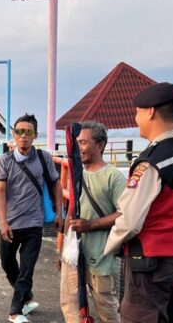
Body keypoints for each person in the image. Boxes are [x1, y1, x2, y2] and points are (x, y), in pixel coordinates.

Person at [104, 82, 173, 323]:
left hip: (150, 263)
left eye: (137, 112)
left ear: (150, 112)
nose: (136, 118)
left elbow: (129, 221)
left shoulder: (151, 163)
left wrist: (107, 248)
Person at [0, 113, 63, 323]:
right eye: (19, 132)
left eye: (28, 132)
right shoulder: (4, 160)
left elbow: (56, 184)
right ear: (14, 135)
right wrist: (3, 222)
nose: (23, 136)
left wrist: (59, 213)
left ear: (34, 135)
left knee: (26, 268)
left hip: (34, 223)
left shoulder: (44, 158)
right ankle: (27, 296)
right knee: (7, 264)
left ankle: (15, 312)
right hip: (11, 223)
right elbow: (0, 191)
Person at [58, 121, 125, 323]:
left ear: (101, 145)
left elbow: (126, 214)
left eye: (84, 142)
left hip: (102, 258)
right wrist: (61, 250)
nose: (79, 147)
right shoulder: (76, 174)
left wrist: (91, 225)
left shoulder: (113, 176)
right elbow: (71, 212)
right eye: (77, 143)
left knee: (108, 312)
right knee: (70, 307)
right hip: (73, 255)